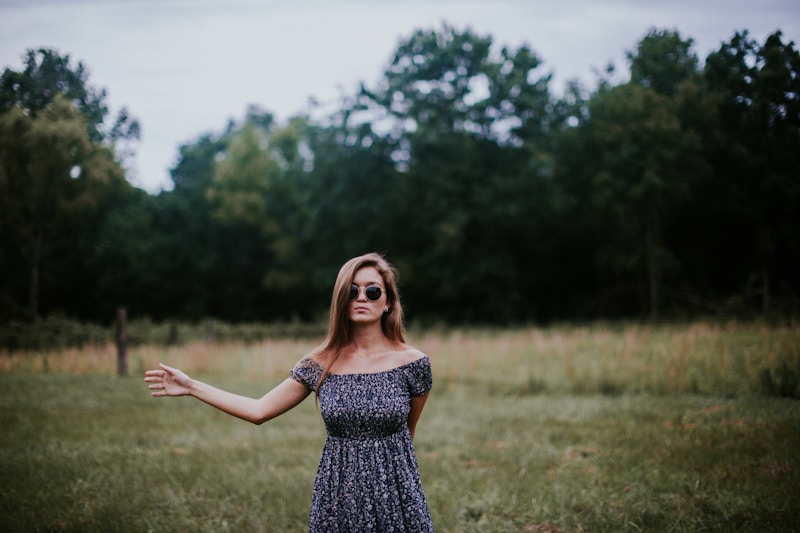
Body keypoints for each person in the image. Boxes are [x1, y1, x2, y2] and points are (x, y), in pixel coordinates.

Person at [144, 252, 434, 532]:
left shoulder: (413, 364)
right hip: (339, 495)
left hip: (397, 492)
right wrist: (191, 386)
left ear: (387, 303)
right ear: (340, 300)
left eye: (372, 291)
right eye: (351, 291)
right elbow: (259, 411)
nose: (361, 297)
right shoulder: (320, 362)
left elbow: (407, 436)